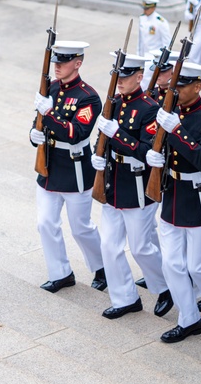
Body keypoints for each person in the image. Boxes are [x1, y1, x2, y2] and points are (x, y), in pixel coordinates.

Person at [145, 62, 201, 343]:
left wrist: (176, 130)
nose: (175, 90)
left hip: (198, 198)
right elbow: (154, 142)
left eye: (181, 86)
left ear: (197, 86)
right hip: (172, 194)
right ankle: (188, 318)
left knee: (199, 266)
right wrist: (153, 157)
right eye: (174, 85)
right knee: (171, 264)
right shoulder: (169, 112)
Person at [91, 54, 173, 319]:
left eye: (125, 77)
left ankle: (165, 287)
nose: (120, 82)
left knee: (140, 247)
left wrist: (118, 134)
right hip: (114, 182)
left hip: (138, 184)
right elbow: (102, 138)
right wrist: (98, 153)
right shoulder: (113, 104)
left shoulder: (150, 108)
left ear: (140, 77)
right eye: (118, 77)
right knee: (109, 245)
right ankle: (125, 298)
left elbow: (148, 151)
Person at [31, 41, 106, 292]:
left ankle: (102, 266)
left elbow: (76, 133)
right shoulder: (50, 87)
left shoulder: (89, 97)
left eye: (62, 63)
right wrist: (34, 134)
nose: (57, 67)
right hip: (49, 165)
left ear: (78, 63)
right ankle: (60, 273)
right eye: (56, 62)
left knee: (81, 227)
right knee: (45, 223)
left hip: (75, 169)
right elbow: (37, 122)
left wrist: (49, 114)